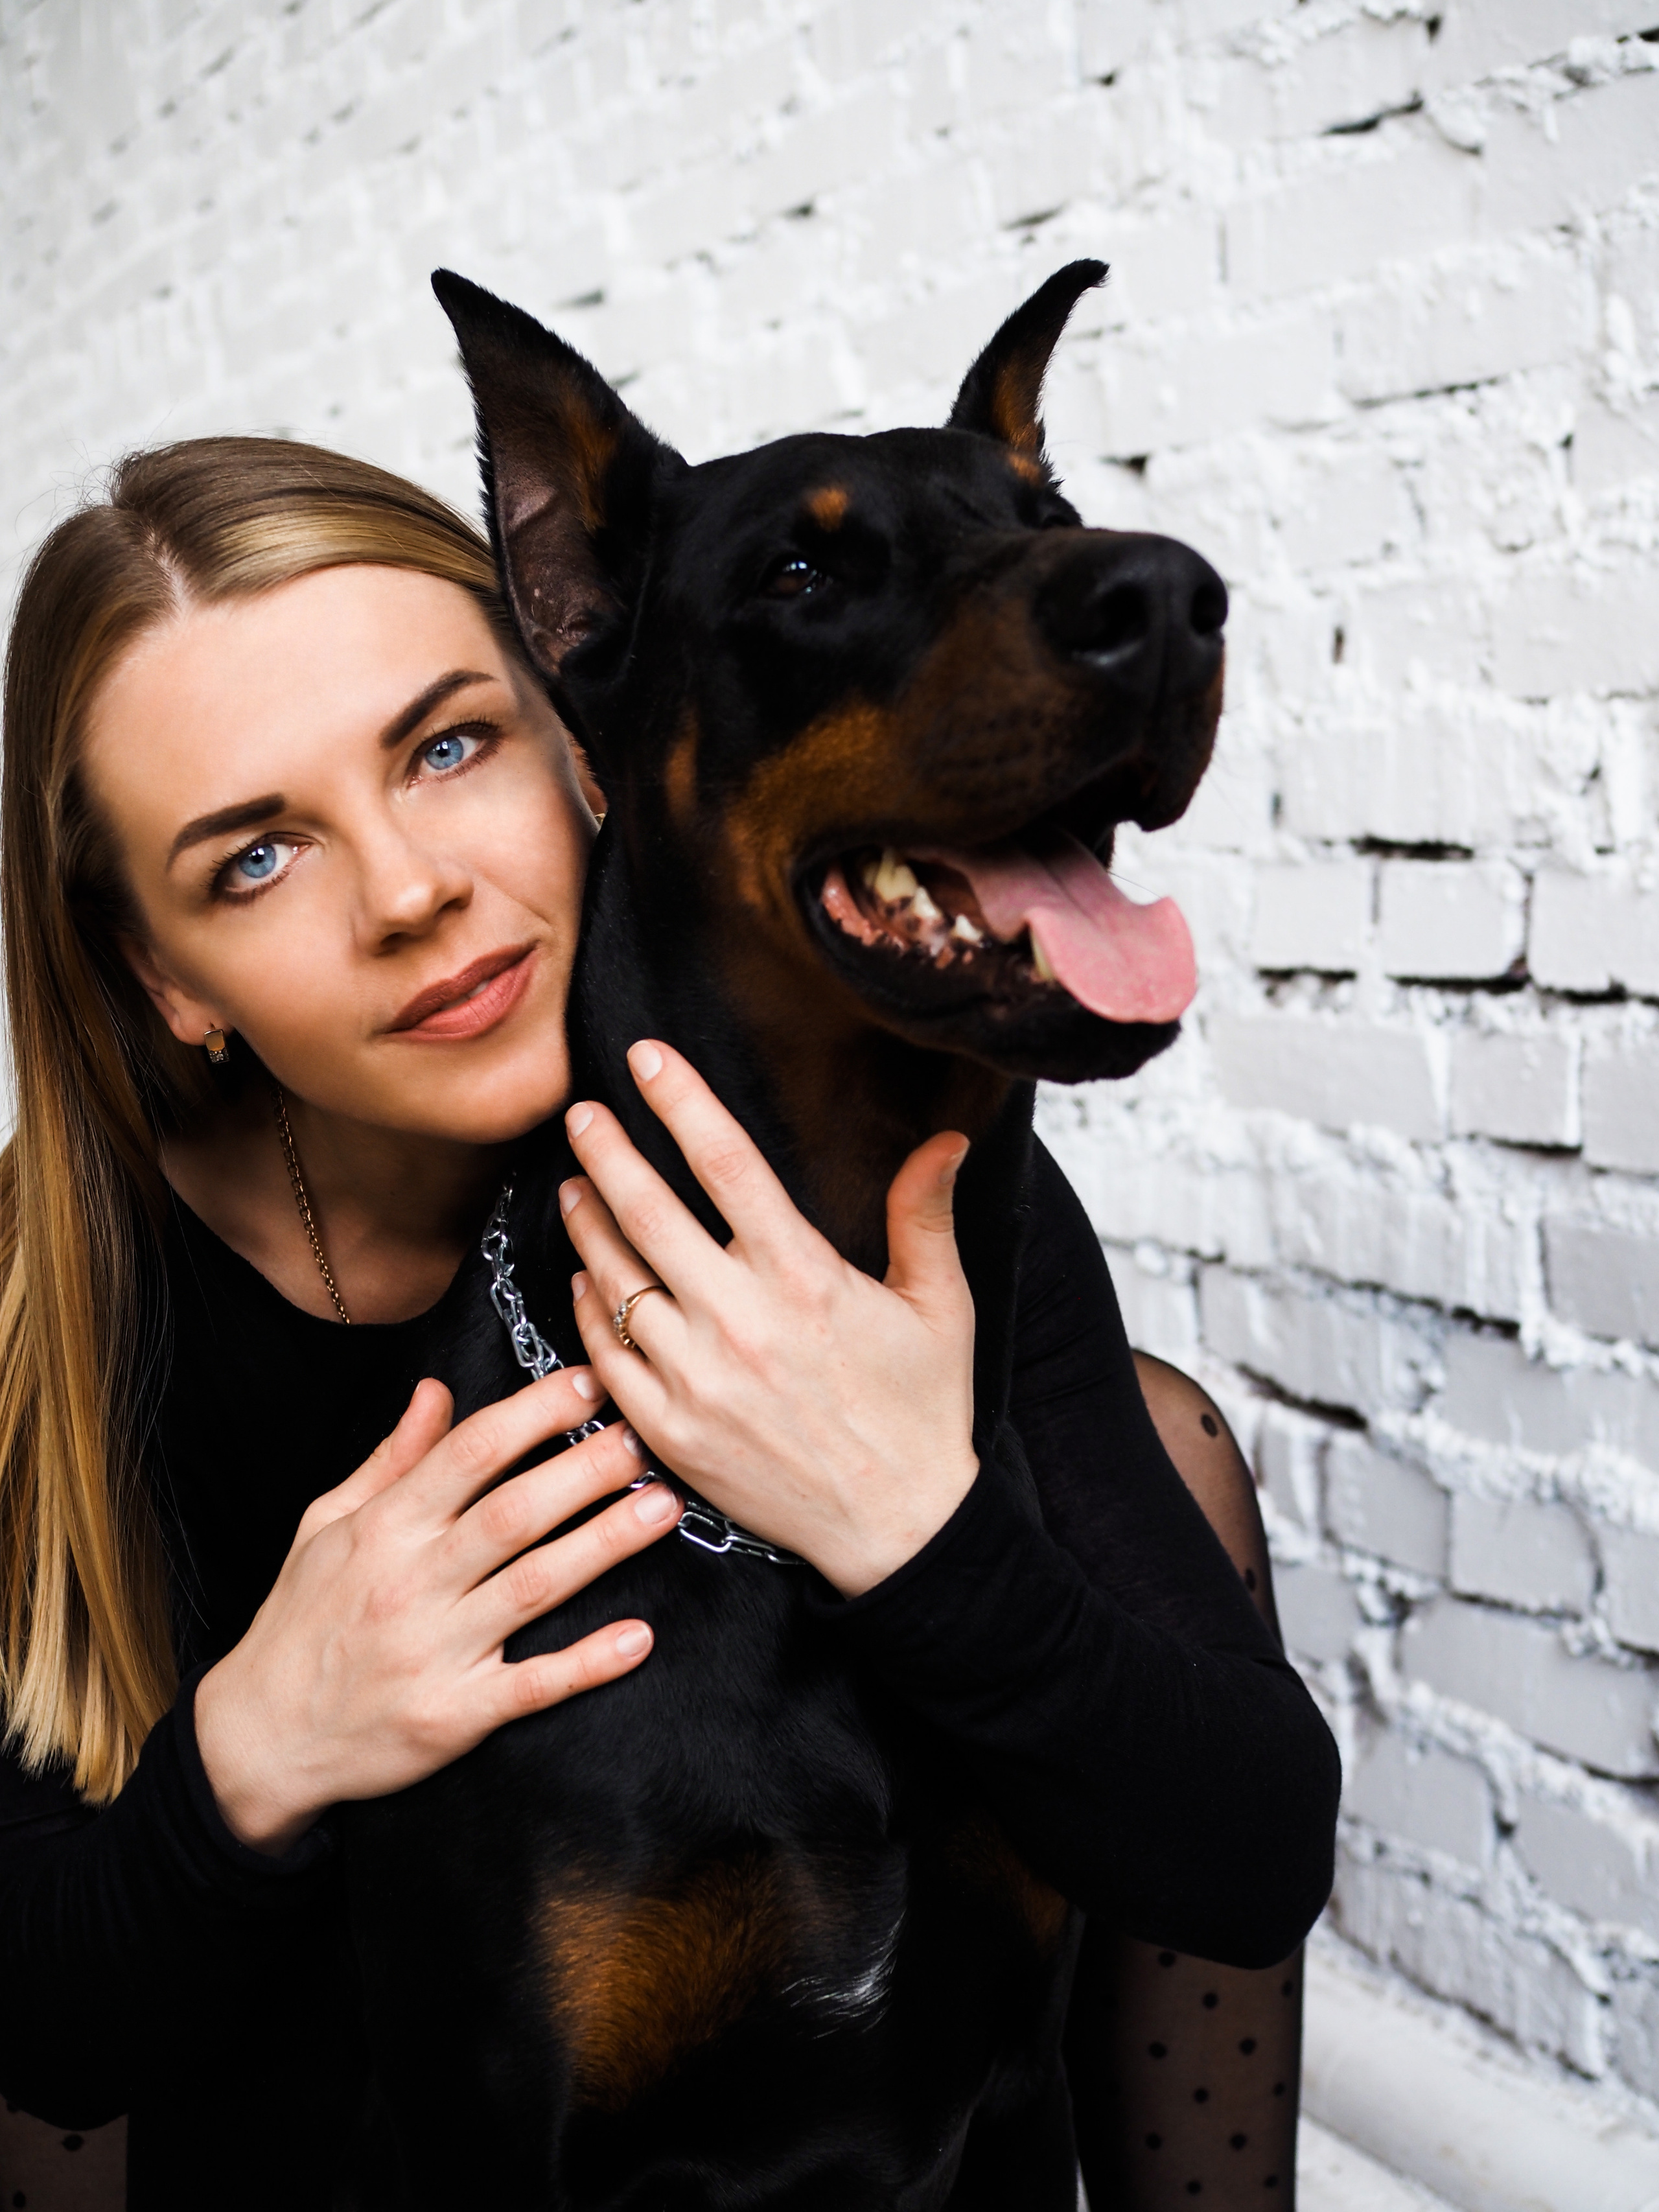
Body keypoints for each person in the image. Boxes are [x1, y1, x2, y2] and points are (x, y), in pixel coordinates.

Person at [0, 437, 1338, 2210]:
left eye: (448, 747)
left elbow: (1245, 1859)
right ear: (165, 976)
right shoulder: (47, 1317)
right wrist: (263, 1739)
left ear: (596, 721)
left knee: (1156, 1436)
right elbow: (47, 2057)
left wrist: (912, 1528)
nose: (409, 892)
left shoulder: (886, 1154)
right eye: (256, 858)